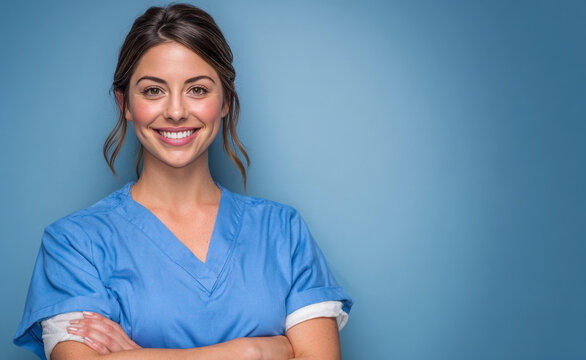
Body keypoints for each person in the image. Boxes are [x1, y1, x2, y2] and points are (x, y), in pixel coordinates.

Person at [13, 4, 353, 359]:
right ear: (124, 103)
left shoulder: (283, 233)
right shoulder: (73, 244)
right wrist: (252, 351)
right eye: (153, 91)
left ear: (225, 99)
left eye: (198, 90)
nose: (176, 112)